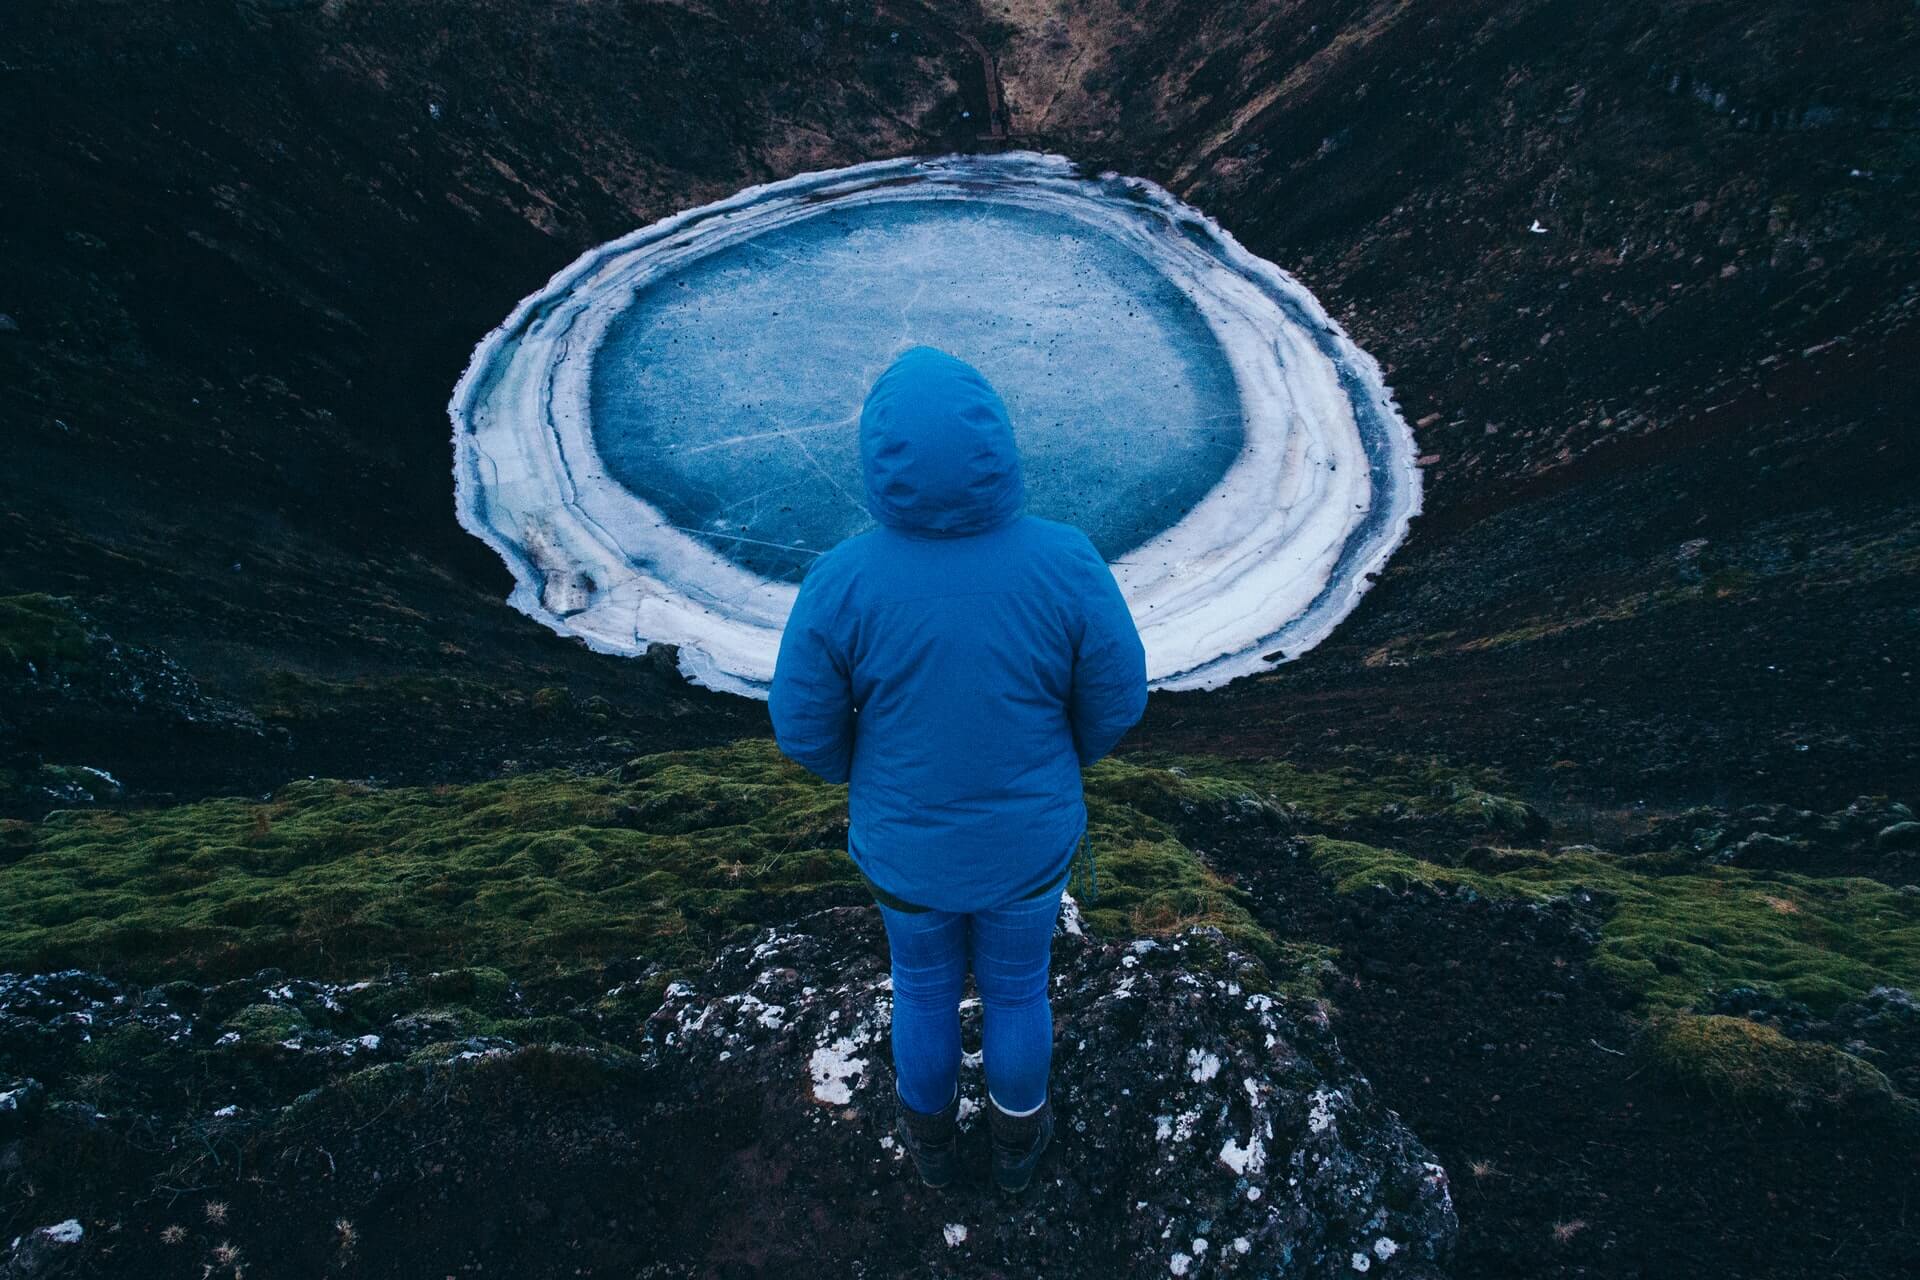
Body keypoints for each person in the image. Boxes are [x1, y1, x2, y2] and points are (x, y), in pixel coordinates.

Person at [769, 346, 1149, 1193]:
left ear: (879, 458)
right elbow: (1119, 700)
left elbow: (801, 729)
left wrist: (865, 775)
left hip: (907, 854)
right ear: (997, 445)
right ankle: (1018, 1153)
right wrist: (1061, 760)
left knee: (923, 990)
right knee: (1019, 992)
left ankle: (934, 1152)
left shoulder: (841, 582)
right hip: (1029, 848)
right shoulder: (1068, 561)